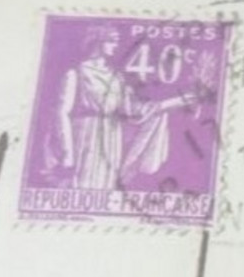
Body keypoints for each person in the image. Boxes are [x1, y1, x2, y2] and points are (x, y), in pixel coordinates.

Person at [52, 24, 201, 190]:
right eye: (112, 41)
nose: (116, 46)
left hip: (111, 138)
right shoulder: (76, 73)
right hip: (85, 136)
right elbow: (61, 113)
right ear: (98, 42)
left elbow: (135, 110)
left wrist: (174, 103)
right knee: (81, 186)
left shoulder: (116, 77)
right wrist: (67, 153)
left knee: (105, 188)